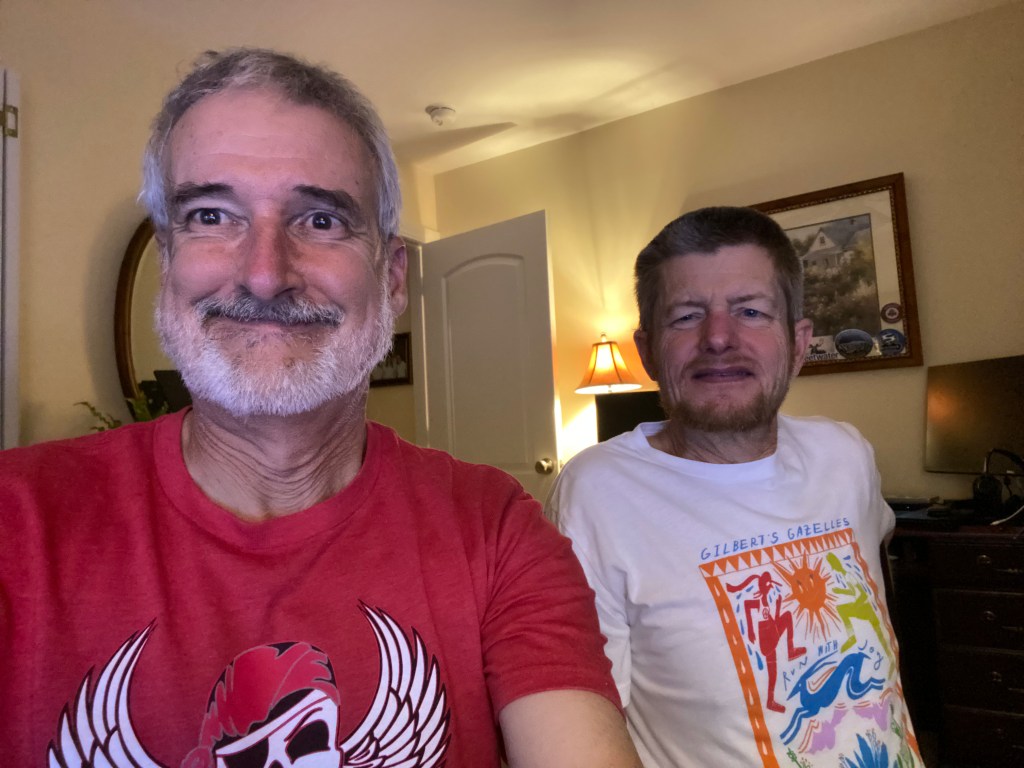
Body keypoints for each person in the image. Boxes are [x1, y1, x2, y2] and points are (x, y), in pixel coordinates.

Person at [0, 49, 641, 768]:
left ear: (392, 279)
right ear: (170, 263)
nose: (265, 273)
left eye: (320, 220)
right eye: (211, 215)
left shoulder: (496, 531)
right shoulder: (15, 521)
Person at [548, 207, 923, 767]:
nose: (719, 337)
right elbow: (587, 728)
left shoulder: (845, 454)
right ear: (647, 350)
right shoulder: (596, 493)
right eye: (686, 316)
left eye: (750, 311)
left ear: (798, 342)